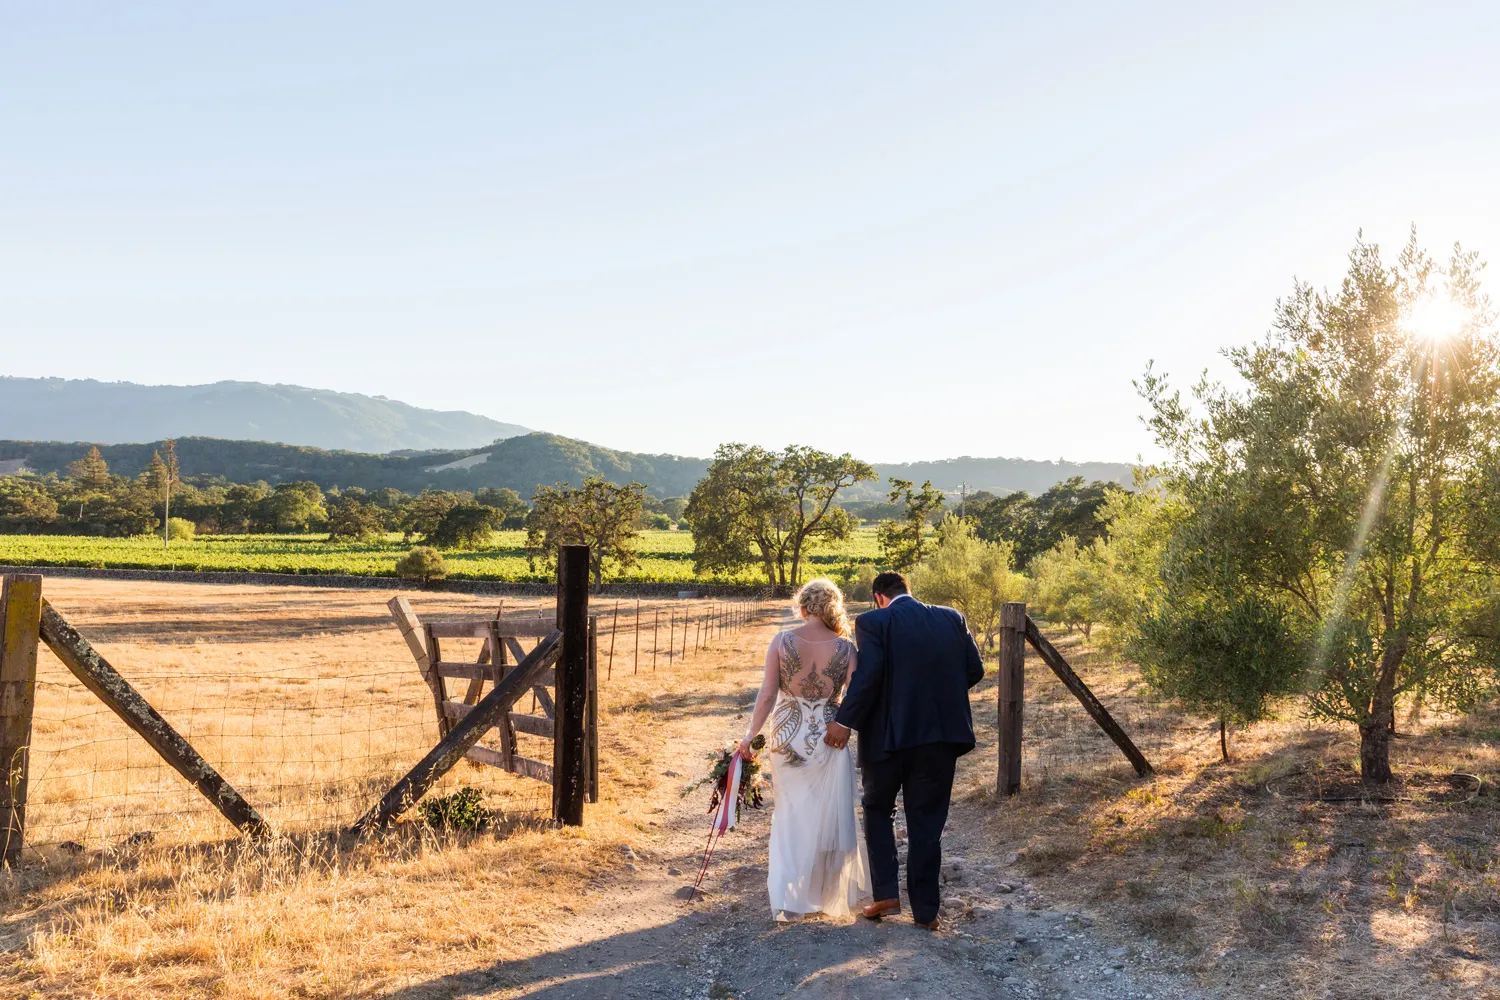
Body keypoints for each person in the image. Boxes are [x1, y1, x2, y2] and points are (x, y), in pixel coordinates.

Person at [822, 571, 985, 931]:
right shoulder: (951, 617)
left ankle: (886, 896)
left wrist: (844, 720)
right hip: (941, 737)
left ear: (879, 596)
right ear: (907, 591)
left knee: (878, 808)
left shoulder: (873, 622)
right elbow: (974, 669)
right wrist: (936, 696)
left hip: (887, 737)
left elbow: (869, 675)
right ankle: (926, 912)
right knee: (927, 821)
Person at [739, 578, 872, 920]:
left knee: (791, 814)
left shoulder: (782, 641)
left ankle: (790, 896)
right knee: (828, 815)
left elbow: (768, 694)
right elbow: (855, 696)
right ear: (832, 608)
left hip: (789, 737)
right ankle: (823, 895)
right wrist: (845, 724)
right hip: (830, 736)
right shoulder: (846, 649)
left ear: (803, 606)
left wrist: (751, 735)